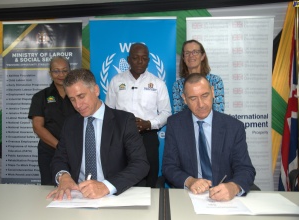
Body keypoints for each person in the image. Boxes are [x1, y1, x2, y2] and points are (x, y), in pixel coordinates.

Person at [47, 68, 149, 200]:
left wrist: (106, 186)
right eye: (72, 99)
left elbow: (141, 164)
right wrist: (63, 176)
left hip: (113, 195)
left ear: (96, 90)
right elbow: (59, 158)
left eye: (81, 96)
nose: (78, 105)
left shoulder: (123, 121)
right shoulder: (70, 124)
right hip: (77, 196)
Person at [162, 73, 255, 201]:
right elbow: (169, 167)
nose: (201, 104)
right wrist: (189, 181)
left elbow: (245, 169)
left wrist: (233, 187)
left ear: (212, 92)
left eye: (205, 95)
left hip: (225, 198)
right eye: (193, 98)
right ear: (184, 99)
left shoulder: (233, 127)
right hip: (191, 196)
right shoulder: (175, 124)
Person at [105, 43, 172, 188]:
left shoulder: (158, 83)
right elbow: (108, 111)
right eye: (136, 58)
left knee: (150, 178)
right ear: (129, 60)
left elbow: (166, 113)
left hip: (148, 137)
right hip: (120, 138)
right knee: (122, 175)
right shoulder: (116, 81)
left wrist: (149, 124)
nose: (140, 62)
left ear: (148, 60)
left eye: (144, 58)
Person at [28, 56, 76, 185]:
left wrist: (71, 149)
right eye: (56, 71)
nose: (61, 74)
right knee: (49, 188)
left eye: (64, 70)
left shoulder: (78, 95)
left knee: (76, 189)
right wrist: (60, 147)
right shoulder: (40, 97)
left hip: (76, 151)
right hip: (49, 151)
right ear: (50, 73)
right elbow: (38, 127)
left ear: (70, 72)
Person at [173, 39, 224, 114]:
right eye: (187, 53)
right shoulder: (177, 85)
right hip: (186, 125)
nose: (191, 55)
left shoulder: (215, 81)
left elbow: (219, 112)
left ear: (202, 56)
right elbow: (178, 114)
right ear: (183, 58)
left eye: (195, 52)